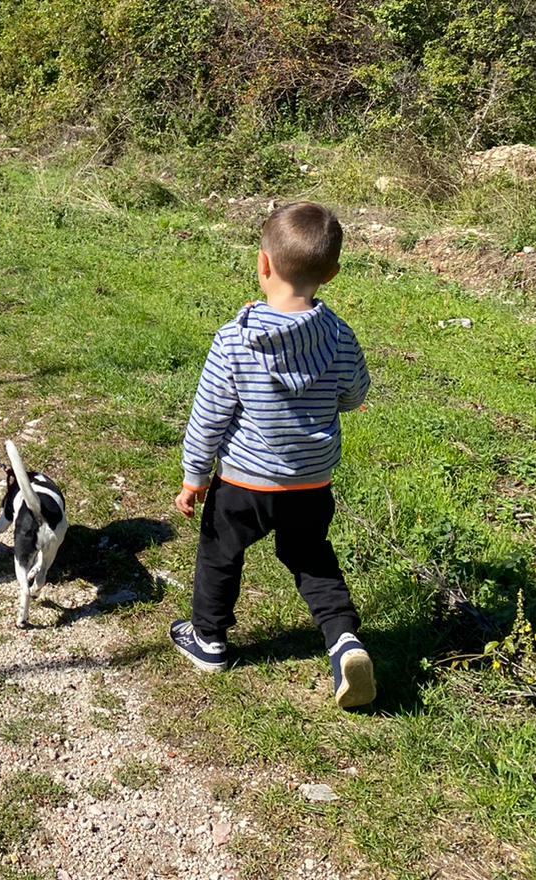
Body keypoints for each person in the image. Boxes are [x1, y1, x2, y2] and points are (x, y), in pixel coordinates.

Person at [172, 201, 376, 709]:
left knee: (220, 551)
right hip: (311, 483)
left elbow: (209, 416)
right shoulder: (340, 336)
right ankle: (344, 640)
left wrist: (195, 476)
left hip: (245, 483)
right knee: (311, 557)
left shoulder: (234, 340)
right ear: (331, 274)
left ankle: (209, 638)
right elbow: (354, 395)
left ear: (263, 264)